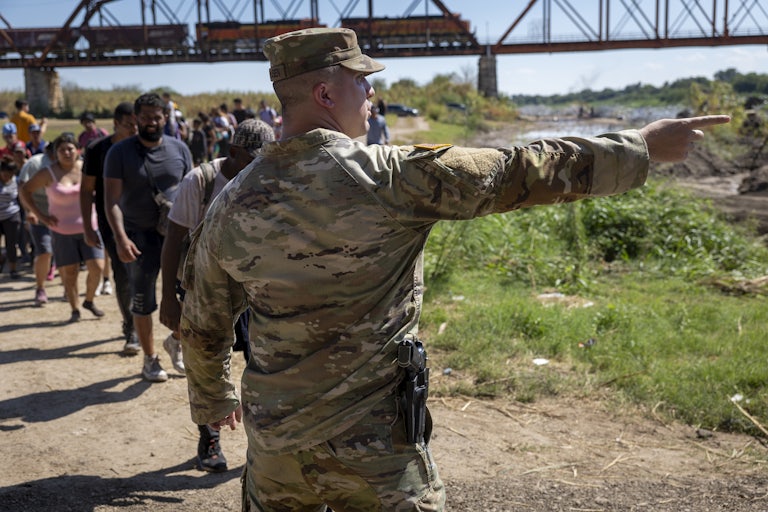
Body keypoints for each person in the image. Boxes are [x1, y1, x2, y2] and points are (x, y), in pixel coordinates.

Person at [180, 27, 730, 511]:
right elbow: (516, 173)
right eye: (361, 81)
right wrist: (639, 148)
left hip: (277, 447)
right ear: (325, 93)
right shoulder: (387, 178)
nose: (372, 91)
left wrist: (212, 398)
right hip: (377, 451)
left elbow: (203, 319)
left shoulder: (232, 200)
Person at [159, 118, 274, 473]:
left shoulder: (270, 179)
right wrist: (167, 298)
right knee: (207, 359)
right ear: (233, 152)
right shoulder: (201, 181)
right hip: (203, 289)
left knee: (263, 366)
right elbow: (173, 239)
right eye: (250, 159)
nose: (257, 167)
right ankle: (209, 439)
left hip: (253, 290)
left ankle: (266, 446)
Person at [104, 92, 192, 383]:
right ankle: (150, 359)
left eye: (157, 117)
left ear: (165, 117)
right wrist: (120, 238)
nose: (151, 122)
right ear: (135, 119)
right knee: (143, 300)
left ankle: (176, 341)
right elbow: (112, 200)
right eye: (145, 117)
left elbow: (193, 194)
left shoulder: (180, 149)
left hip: (177, 235)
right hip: (138, 237)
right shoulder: (119, 153)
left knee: (187, 294)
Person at [19, 133, 106, 323]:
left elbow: (103, 191)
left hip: (89, 228)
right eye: (62, 150)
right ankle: (75, 308)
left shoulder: (87, 169)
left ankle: (89, 300)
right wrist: (40, 215)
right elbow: (25, 190)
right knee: (70, 273)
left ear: (78, 150)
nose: (66, 153)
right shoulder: (47, 173)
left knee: (97, 267)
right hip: (61, 232)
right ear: (55, 153)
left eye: (70, 148)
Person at [80, 101, 139, 353]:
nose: (135, 130)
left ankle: (141, 320)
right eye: (129, 125)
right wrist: (87, 226)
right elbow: (86, 191)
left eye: (137, 124)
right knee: (123, 275)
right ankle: (131, 328)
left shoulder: (143, 145)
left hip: (142, 221)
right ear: (115, 123)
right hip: (110, 224)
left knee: (144, 275)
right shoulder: (97, 150)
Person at [18, 144, 57, 305]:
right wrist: (29, 211)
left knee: (64, 255)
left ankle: (69, 289)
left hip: (63, 217)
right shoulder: (35, 163)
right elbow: (22, 187)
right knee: (44, 252)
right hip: (40, 214)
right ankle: (40, 288)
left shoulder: (71, 164)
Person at [0, 159, 22, 279]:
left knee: (11, 244)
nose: (7, 177)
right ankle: (2, 259)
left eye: (10, 174)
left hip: (11, 215)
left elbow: (22, 198)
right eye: (5, 174)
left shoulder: (16, 181)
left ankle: (13, 269)